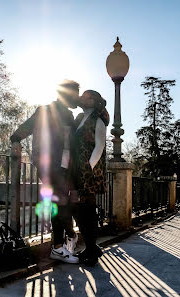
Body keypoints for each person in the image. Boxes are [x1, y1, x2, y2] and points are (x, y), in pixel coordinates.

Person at [10, 79, 79, 264]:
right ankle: (60, 245)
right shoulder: (44, 111)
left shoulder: (70, 116)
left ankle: (64, 241)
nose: (77, 98)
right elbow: (27, 127)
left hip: (64, 166)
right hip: (48, 164)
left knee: (62, 203)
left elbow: (71, 145)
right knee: (60, 202)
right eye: (75, 94)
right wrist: (15, 140)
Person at [70, 90, 109, 266]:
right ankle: (92, 247)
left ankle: (92, 250)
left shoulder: (98, 118)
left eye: (89, 97)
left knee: (87, 210)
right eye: (84, 96)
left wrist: (89, 166)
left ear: (96, 101)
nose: (85, 99)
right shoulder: (79, 118)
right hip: (78, 169)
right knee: (80, 209)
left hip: (89, 172)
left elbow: (100, 146)